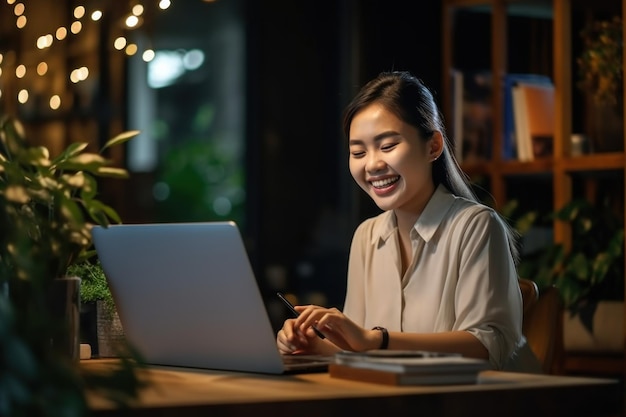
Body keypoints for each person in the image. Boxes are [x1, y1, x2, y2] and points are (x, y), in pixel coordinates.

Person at [276, 71, 540, 371]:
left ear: (433, 146)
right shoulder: (367, 235)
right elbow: (359, 349)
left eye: (388, 146)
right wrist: (316, 347)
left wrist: (376, 340)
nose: (373, 164)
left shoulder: (476, 226)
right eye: (358, 152)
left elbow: (486, 346)